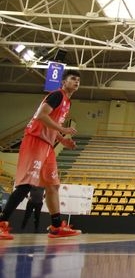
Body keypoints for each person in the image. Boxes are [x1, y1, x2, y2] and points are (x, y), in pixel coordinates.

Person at [0, 69, 81, 240]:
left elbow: (52, 123)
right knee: (26, 184)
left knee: (53, 185)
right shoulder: (57, 95)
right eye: (73, 79)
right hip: (35, 140)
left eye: (78, 80)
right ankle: (2, 222)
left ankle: (56, 226)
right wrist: (63, 130)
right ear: (63, 82)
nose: (76, 82)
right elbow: (40, 115)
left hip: (48, 145)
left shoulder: (68, 102)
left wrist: (62, 139)